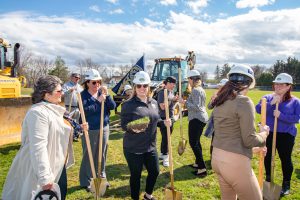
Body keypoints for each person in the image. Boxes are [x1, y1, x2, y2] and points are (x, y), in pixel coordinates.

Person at [2, 75, 87, 200]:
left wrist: (78, 128)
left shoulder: (56, 110)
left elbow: (61, 130)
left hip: (58, 165)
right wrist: (44, 177)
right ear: (46, 94)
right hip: (40, 169)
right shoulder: (37, 113)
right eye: (59, 91)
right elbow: (38, 146)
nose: (62, 93)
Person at [211, 65, 269, 200]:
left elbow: (232, 136)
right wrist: (264, 134)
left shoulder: (221, 100)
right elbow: (249, 140)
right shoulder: (244, 101)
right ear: (248, 83)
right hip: (234, 164)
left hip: (217, 158)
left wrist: (255, 149)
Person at [121, 71, 168, 200]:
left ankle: (148, 195)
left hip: (150, 146)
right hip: (133, 148)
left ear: (149, 87)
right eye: (139, 85)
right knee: (136, 175)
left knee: (155, 171)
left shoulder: (153, 103)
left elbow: (156, 120)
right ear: (135, 87)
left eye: (145, 86)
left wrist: (165, 122)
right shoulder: (128, 105)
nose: (142, 88)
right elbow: (124, 125)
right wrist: (135, 126)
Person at [255, 73, 300, 196]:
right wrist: (271, 104)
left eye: (281, 84)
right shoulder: (267, 97)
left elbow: (297, 118)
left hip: (286, 135)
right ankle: (269, 181)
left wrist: (281, 115)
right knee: (267, 157)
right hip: (268, 133)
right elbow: (258, 109)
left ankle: (286, 184)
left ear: (288, 86)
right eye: (276, 84)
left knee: (285, 159)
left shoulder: (295, 102)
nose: (278, 86)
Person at [79, 69, 116, 191]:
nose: (97, 85)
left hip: (104, 127)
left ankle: (101, 175)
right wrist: (98, 101)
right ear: (87, 83)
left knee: (102, 152)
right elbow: (85, 112)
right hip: (90, 129)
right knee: (89, 154)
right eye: (94, 83)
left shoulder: (102, 92)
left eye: (98, 82)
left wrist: (108, 96)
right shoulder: (82, 95)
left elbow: (113, 106)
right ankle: (87, 180)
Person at [181, 69, 209, 177]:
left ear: (192, 79)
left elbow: (196, 107)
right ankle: (198, 163)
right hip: (200, 118)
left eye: (189, 79)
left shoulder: (196, 90)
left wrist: (184, 102)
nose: (188, 81)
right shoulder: (200, 89)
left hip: (197, 119)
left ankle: (202, 168)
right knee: (197, 142)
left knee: (194, 143)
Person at [157, 76, 177, 167]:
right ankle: (166, 157)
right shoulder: (162, 93)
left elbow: (171, 103)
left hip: (171, 117)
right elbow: (162, 107)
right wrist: (172, 100)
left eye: (174, 84)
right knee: (167, 137)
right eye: (172, 84)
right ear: (167, 83)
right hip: (164, 118)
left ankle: (162, 153)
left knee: (166, 137)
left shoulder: (171, 92)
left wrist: (174, 100)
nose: (174, 85)